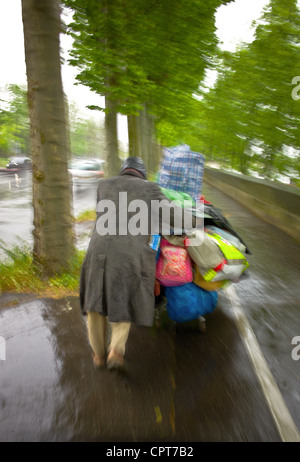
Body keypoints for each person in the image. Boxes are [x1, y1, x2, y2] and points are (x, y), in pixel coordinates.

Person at [79, 156, 195, 371]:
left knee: (94, 301)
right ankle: (115, 351)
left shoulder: (104, 185)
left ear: (124, 170)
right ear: (142, 173)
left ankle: (97, 355)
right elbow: (175, 217)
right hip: (129, 254)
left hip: (97, 251)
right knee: (122, 296)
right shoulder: (149, 188)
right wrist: (195, 220)